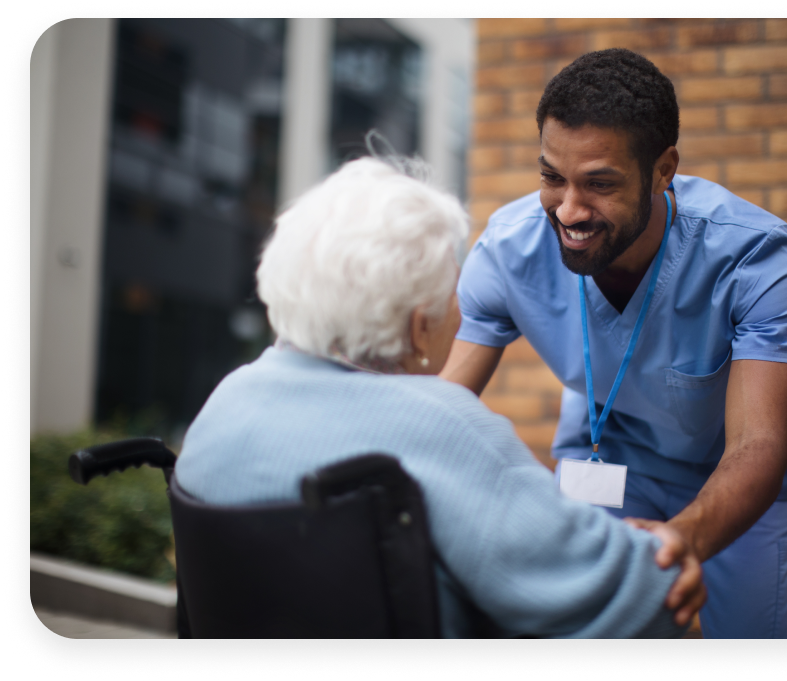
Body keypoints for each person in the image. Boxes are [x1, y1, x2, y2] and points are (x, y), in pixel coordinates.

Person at [174, 155, 705, 638]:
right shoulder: (438, 425)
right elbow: (638, 598)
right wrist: (660, 555)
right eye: (455, 288)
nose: (461, 307)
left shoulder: (225, 403)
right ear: (416, 326)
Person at [442, 49, 787, 639]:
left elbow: (759, 442)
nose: (568, 209)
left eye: (599, 184)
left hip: (738, 480)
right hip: (607, 461)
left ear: (663, 169)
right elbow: (443, 403)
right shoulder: (508, 250)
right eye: (551, 177)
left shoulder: (755, 255)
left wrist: (683, 537)